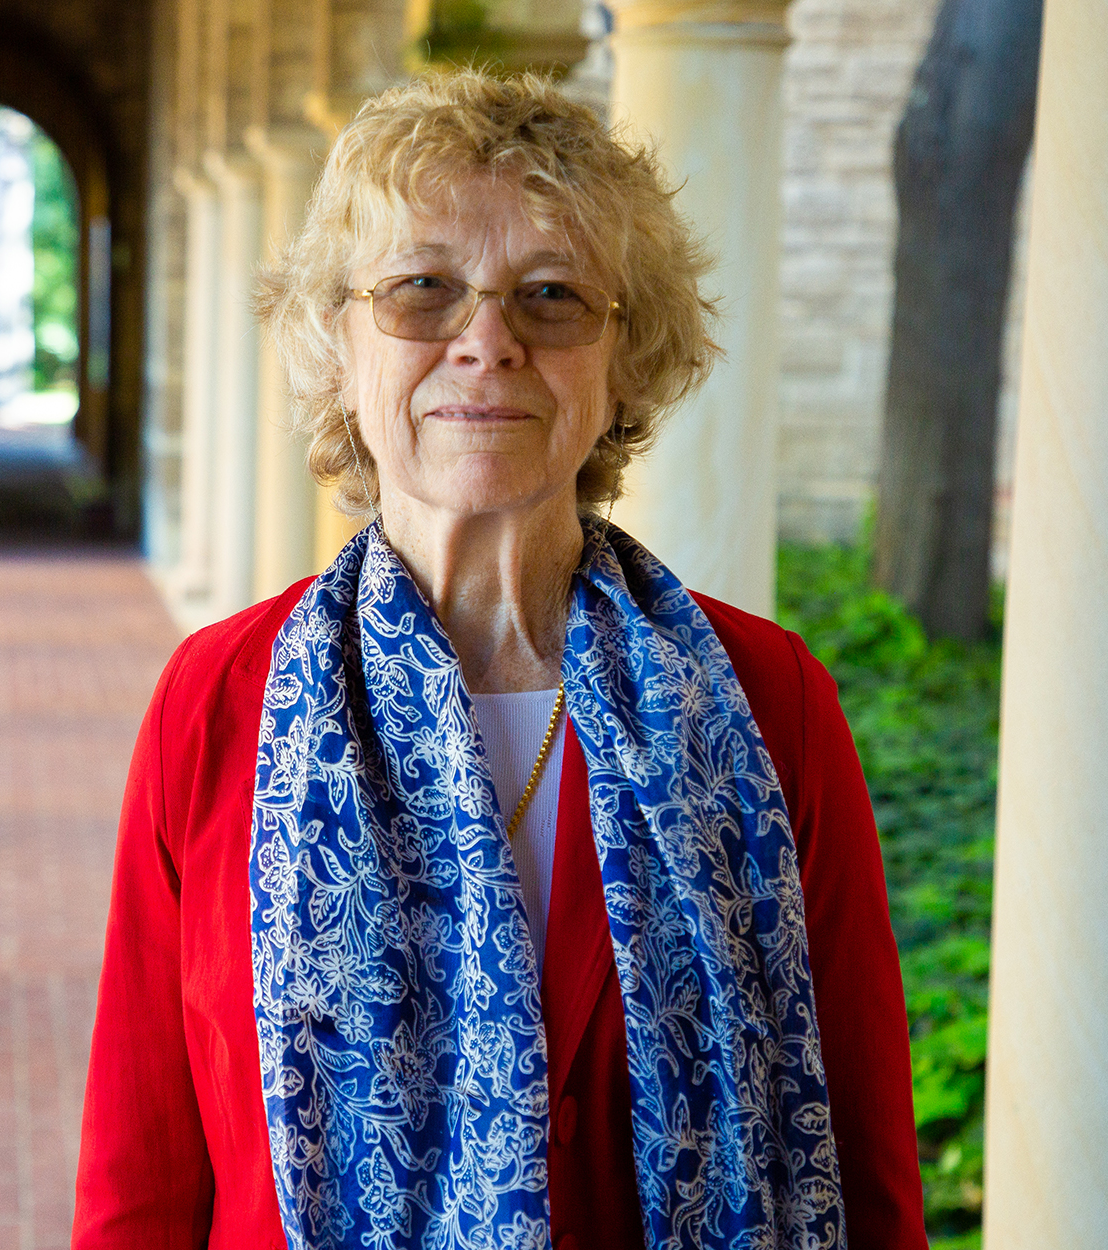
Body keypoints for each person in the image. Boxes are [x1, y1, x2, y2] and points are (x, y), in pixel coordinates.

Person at [72, 69, 926, 1250]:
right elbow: (140, 1184)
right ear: (339, 342)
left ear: (626, 358)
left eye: (553, 294)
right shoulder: (216, 699)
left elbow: (867, 1171)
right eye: (421, 288)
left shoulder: (768, 699)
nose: (487, 341)